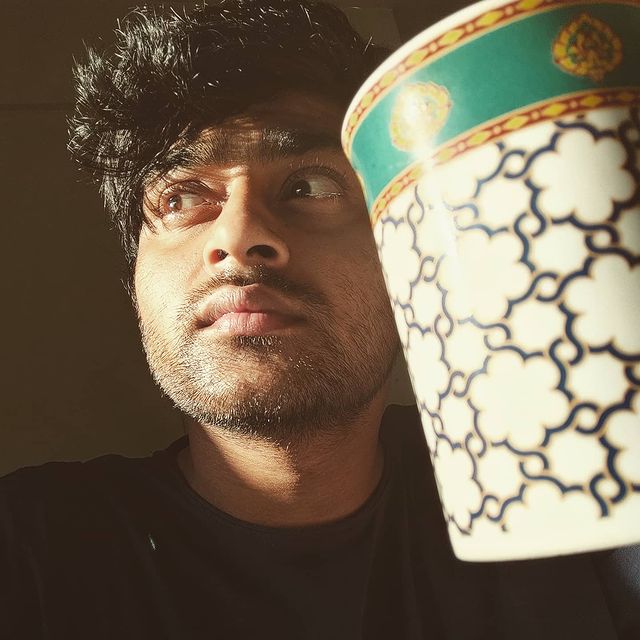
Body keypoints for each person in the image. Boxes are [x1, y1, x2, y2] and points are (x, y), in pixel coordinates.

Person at [1, 1, 638, 638]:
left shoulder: (578, 482)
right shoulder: (31, 548)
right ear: (135, 285)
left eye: (310, 186)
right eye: (183, 197)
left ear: (407, 258)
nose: (238, 236)